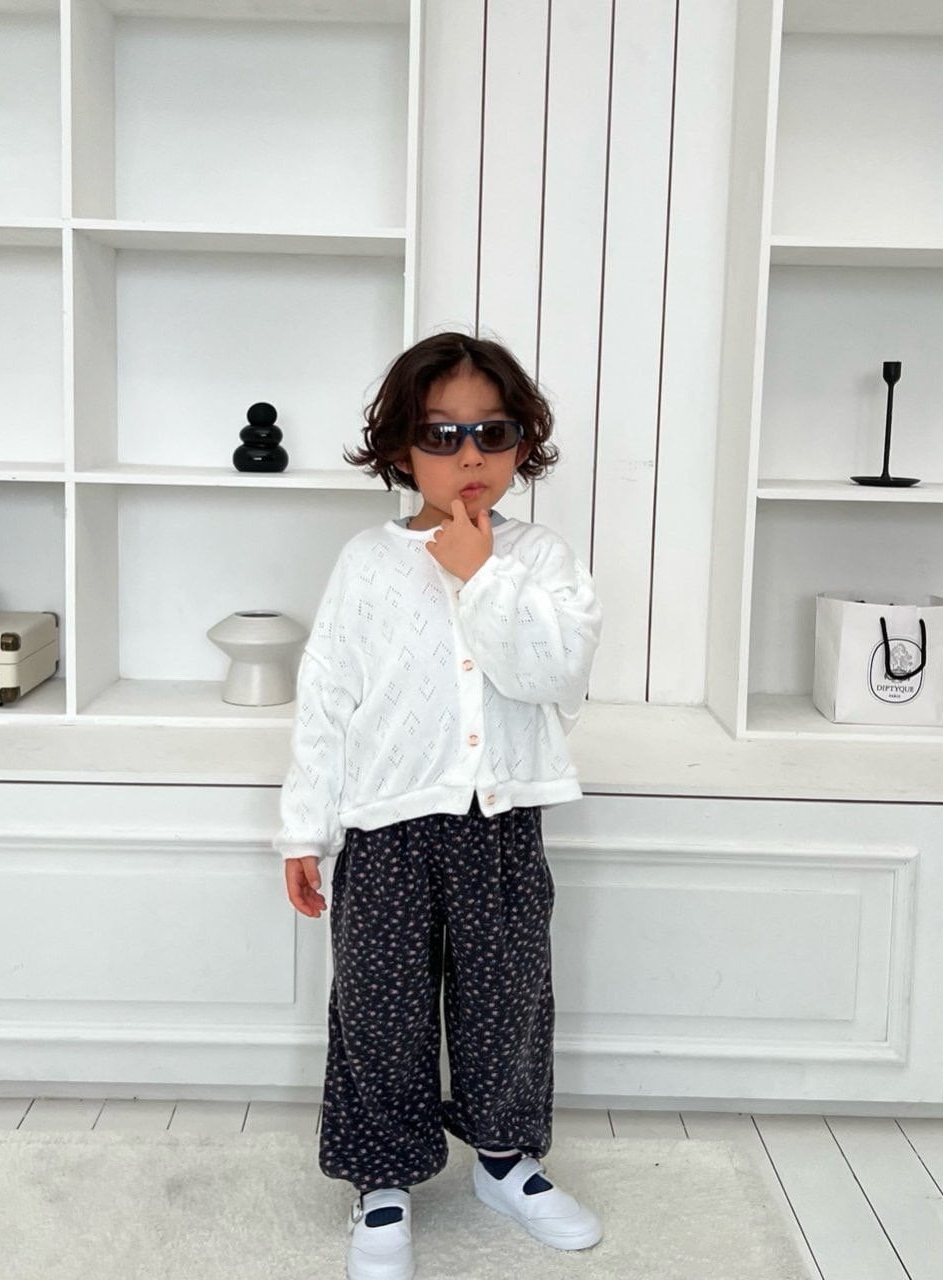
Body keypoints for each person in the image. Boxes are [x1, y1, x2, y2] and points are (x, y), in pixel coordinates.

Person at [274, 331, 604, 1280]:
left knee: (508, 1002)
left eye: (491, 433)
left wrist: (481, 572)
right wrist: (304, 828)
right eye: (441, 433)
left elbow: (555, 674)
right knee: (379, 1009)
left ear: (521, 443)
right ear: (401, 448)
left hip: (501, 824)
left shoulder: (539, 558)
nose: (469, 456)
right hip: (385, 826)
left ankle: (505, 1161)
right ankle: (383, 1179)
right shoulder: (366, 562)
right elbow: (327, 700)